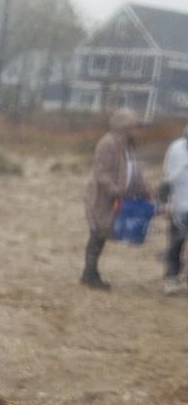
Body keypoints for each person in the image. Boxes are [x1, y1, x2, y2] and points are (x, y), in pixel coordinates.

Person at [81, 107, 150, 291]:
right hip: (102, 198)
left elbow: (134, 173)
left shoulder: (129, 146)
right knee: (97, 233)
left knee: (102, 234)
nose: (139, 131)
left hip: (118, 199)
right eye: (136, 127)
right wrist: (116, 191)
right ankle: (89, 274)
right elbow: (101, 172)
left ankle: (91, 273)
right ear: (125, 127)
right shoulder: (108, 143)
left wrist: (145, 191)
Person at [159, 124, 188, 295]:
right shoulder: (176, 149)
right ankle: (171, 279)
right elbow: (167, 179)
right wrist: (165, 202)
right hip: (178, 206)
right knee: (176, 243)